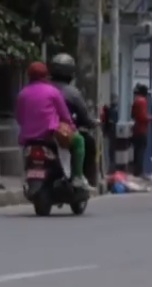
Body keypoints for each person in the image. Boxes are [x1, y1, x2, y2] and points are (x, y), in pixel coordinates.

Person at [16, 61, 78, 182]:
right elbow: (64, 115)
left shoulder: (22, 94)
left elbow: (19, 117)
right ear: (46, 75)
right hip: (50, 135)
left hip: (27, 139)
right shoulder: (53, 92)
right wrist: (72, 127)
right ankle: (73, 177)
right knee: (78, 142)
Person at [46, 53, 95, 188]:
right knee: (85, 141)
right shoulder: (72, 93)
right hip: (62, 131)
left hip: (40, 130)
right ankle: (78, 176)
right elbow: (83, 116)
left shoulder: (43, 88)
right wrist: (91, 123)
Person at [131, 83, 151, 176]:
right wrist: (149, 118)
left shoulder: (136, 100)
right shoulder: (142, 101)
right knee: (141, 151)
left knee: (136, 150)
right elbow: (142, 116)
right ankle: (139, 171)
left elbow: (134, 115)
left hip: (135, 129)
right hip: (141, 130)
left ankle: (135, 170)